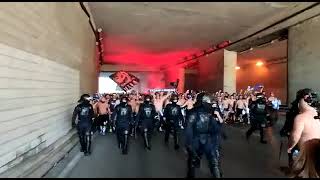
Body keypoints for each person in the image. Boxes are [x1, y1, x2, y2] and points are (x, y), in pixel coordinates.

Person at [185, 93, 221, 178]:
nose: (210, 103)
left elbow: (215, 128)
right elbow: (189, 129)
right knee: (194, 160)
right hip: (197, 139)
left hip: (203, 139)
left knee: (213, 161)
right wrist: (189, 143)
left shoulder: (208, 113)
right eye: (208, 101)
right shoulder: (194, 113)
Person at [287, 88, 320, 156]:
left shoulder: (301, 117)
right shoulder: (317, 114)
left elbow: (294, 137)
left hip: (305, 153)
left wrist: (290, 147)